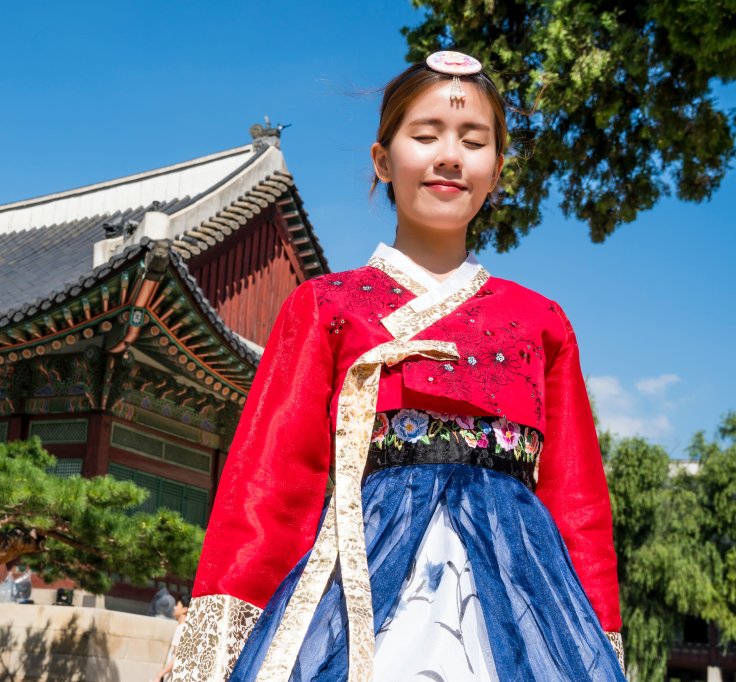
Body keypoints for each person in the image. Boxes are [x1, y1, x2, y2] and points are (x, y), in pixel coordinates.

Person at [172, 51, 624, 681]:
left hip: (526, 596)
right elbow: (269, 486)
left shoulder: (541, 322)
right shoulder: (325, 307)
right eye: (425, 134)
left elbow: (576, 501)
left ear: (497, 170)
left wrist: (596, 635)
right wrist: (217, 643)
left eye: (474, 140)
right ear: (382, 161)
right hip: (364, 583)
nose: (449, 155)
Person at [154, 595, 191, 682]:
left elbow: (177, 656)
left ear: (185, 609)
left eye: (177, 605)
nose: (174, 608)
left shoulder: (181, 628)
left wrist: (159, 675)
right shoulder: (186, 628)